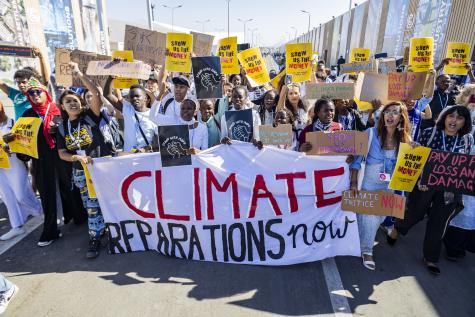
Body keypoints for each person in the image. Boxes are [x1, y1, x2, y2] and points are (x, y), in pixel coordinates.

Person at [3, 78, 87, 246]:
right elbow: (22, 140)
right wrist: (11, 142)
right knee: (47, 195)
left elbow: (73, 128)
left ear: (45, 93)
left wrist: (58, 132)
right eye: (30, 93)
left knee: (69, 188)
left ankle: (78, 217)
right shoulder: (27, 115)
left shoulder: (58, 110)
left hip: (62, 155)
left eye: (37, 92)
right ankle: (50, 231)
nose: (34, 95)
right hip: (41, 159)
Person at [390, 106, 473, 275]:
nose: (454, 120)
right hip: (425, 183)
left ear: (465, 122)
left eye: (459, 118)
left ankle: (430, 257)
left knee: (439, 222)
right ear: (444, 117)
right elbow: (418, 155)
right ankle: (399, 228)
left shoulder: (467, 139)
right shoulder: (430, 132)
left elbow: (467, 164)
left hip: (450, 188)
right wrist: (414, 149)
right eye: (451, 116)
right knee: (415, 212)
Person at [56, 63, 116, 259]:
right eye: (68, 102)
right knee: (92, 207)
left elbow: (96, 95)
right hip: (82, 173)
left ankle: (115, 232)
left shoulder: (90, 116)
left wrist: (79, 74)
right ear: (63, 107)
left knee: (111, 201)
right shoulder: (63, 127)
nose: (72, 104)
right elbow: (62, 153)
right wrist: (75, 157)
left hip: (103, 169)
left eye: (74, 100)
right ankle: (95, 238)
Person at [349, 102, 412, 270]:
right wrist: (354, 183)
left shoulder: (405, 140)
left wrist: (414, 152)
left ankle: (365, 238)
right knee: (368, 218)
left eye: (395, 112)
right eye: (387, 112)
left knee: (379, 217)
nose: (390, 115)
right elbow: (356, 161)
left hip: (389, 185)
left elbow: (408, 168)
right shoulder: (369, 133)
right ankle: (366, 250)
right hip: (368, 182)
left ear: (401, 118)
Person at [0, 101, 42, 241]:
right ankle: (17, 226)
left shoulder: (15, 124)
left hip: (15, 164)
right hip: (1, 168)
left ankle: (38, 209)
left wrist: (11, 146)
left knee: (20, 195)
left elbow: (26, 145)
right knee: (7, 197)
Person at [104, 77, 158, 152]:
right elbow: (108, 95)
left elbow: (159, 140)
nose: (134, 98)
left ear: (145, 98)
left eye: (137, 96)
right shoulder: (127, 109)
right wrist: (111, 77)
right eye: (132, 97)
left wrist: (146, 148)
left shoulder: (154, 115)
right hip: (128, 157)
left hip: (147, 157)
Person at [0, 47, 49, 119]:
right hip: (19, 129)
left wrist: (41, 57)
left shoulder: (38, 93)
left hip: (37, 129)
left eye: (24, 82)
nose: (21, 85)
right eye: (18, 82)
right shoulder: (15, 94)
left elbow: (45, 79)